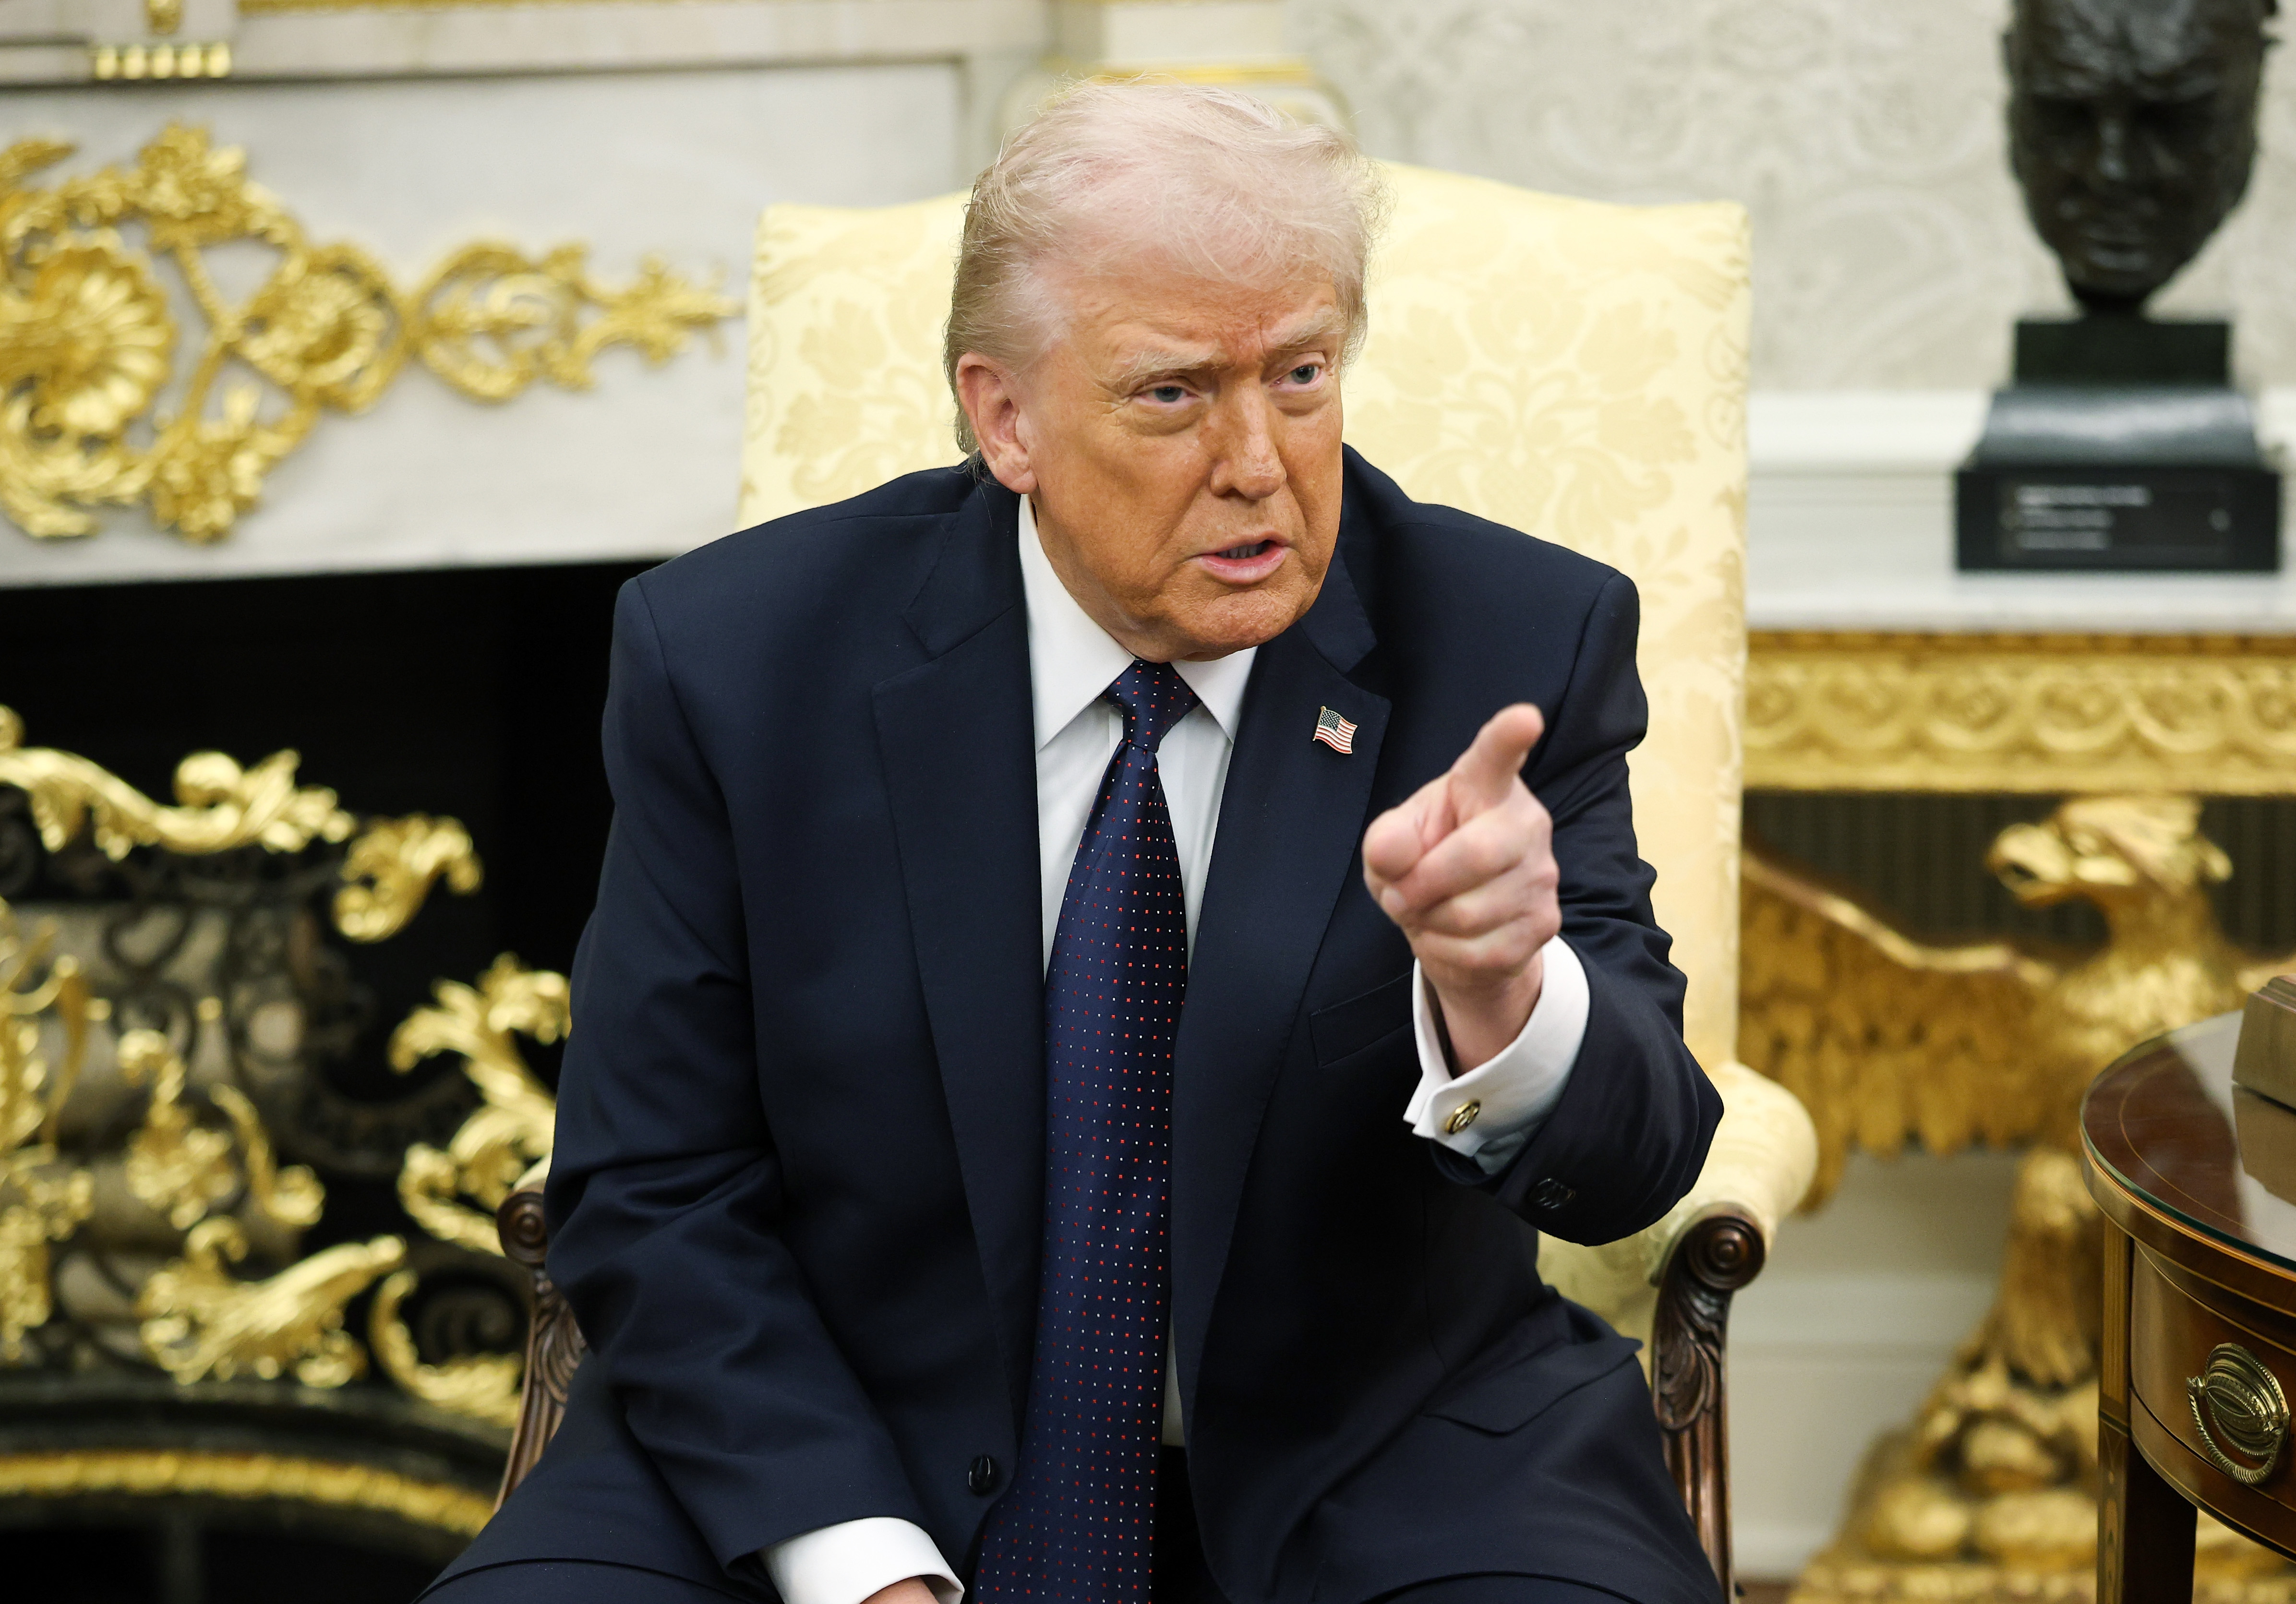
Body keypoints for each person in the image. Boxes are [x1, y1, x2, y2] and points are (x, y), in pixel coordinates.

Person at [426, 82, 1723, 1604]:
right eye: (1173, 393)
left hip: (1380, 1454)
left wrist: (1505, 995)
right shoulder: (736, 660)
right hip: (833, 1429)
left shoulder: (1508, 644)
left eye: (1301, 373)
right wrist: (855, 1563)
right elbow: (652, 1181)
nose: (1259, 460)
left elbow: (1638, 1161)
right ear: (1007, 418)